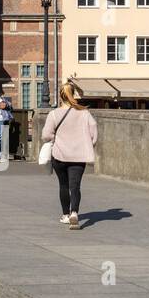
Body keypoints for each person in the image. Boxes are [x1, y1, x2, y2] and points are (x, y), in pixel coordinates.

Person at [42, 82, 98, 230]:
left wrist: (55, 138)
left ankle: (65, 215)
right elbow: (94, 131)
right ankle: (74, 212)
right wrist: (87, 143)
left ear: (60, 96)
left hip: (60, 155)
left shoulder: (54, 114)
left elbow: (46, 135)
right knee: (75, 186)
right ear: (73, 95)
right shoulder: (84, 113)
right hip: (79, 156)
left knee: (64, 185)